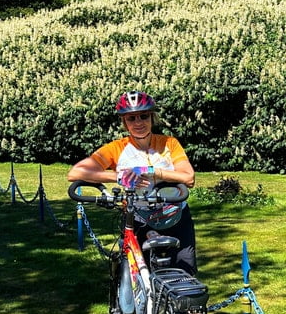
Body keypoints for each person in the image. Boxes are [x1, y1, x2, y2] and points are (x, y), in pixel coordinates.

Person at [68, 91, 198, 282]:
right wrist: (119, 176)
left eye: (144, 116)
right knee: (143, 279)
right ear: (124, 122)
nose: (139, 122)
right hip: (139, 219)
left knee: (185, 279)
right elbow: (76, 173)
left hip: (176, 217)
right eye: (131, 118)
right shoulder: (117, 148)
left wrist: (153, 172)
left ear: (152, 117)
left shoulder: (168, 143)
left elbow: (188, 177)